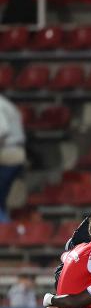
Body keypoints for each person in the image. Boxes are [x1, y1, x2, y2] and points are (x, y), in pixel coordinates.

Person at [0, 93, 25, 223]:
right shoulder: (5, 103)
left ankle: (4, 230)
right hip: (14, 152)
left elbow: (2, 130)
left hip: (8, 153)